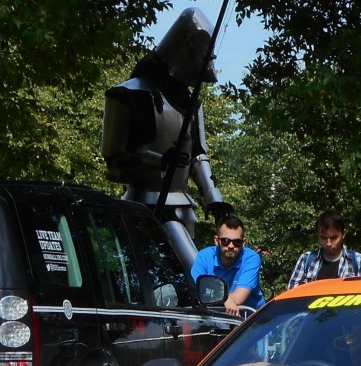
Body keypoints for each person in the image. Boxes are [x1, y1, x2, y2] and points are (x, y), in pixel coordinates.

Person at [101, 8, 230, 248]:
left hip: (182, 207)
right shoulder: (128, 95)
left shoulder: (191, 104)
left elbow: (198, 155)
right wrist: (157, 161)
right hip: (141, 204)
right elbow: (114, 163)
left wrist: (214, 199)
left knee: (190, 275)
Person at [191, 215, 264, 315]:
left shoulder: (251, 258)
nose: (231, 246)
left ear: (243, 243)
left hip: (252, 322)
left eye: (237, 242)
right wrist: (226, 300)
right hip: (218, 321)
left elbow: (239, 298)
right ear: (217, 240)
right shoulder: (203, 257)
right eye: (225, 241)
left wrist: (221, 298)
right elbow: (199, 291)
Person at [287, 209, 361, 288]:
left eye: (333, 238)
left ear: (343, 234)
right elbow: (292, 295)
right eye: (324, 238)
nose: (328, 244)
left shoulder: (359, 261)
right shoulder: (305, 260)